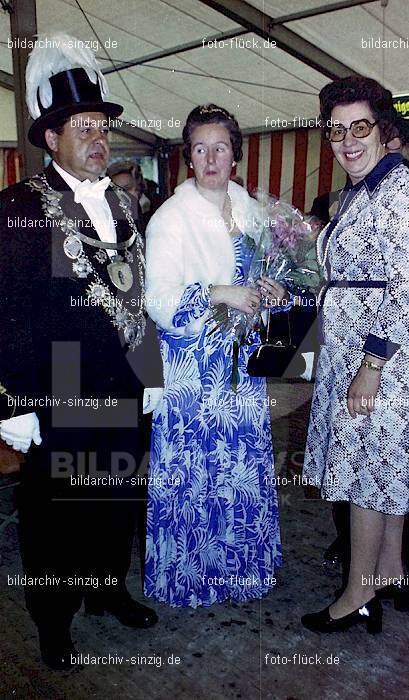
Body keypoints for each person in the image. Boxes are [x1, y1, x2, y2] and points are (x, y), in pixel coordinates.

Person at [0, 35, 163, 670]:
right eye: (82, 128)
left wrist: (149, 367)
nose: (98, 140)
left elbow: (137, 293)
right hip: (57, 380)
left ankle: (106, 587)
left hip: (121, 378)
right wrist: (13, 403)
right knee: (54, 509)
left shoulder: (125, 204)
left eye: (102, 127)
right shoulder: (16, 209)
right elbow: (7, 314)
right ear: (50, 138)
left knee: (115, 496)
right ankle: (53, 617)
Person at [301, 76, 409, 634]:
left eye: (359, 128)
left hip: (379, 357)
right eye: (335, 130)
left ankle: (358, 593)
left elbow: (404, 288)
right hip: (358, 354)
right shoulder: (362, 191)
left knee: (364, 475)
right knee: (386, 470)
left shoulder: (401, 190)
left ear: (383, 130)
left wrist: (371, 366)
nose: (346, 141)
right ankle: (388, 571)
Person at [144, 104, 288, 607]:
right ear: (188, 158)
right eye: (200, 148)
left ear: (235, 157)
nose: (210, 157)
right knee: (196, 475)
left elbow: (271, 280)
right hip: (192, 370)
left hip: (241, 368)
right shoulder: (170, 217)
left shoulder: (253, 212)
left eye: (220, 147)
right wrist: (220, 293)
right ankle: (191, 577)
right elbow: (157, 303)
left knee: (238, 471)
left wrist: (273, 291)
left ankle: (242, 571)